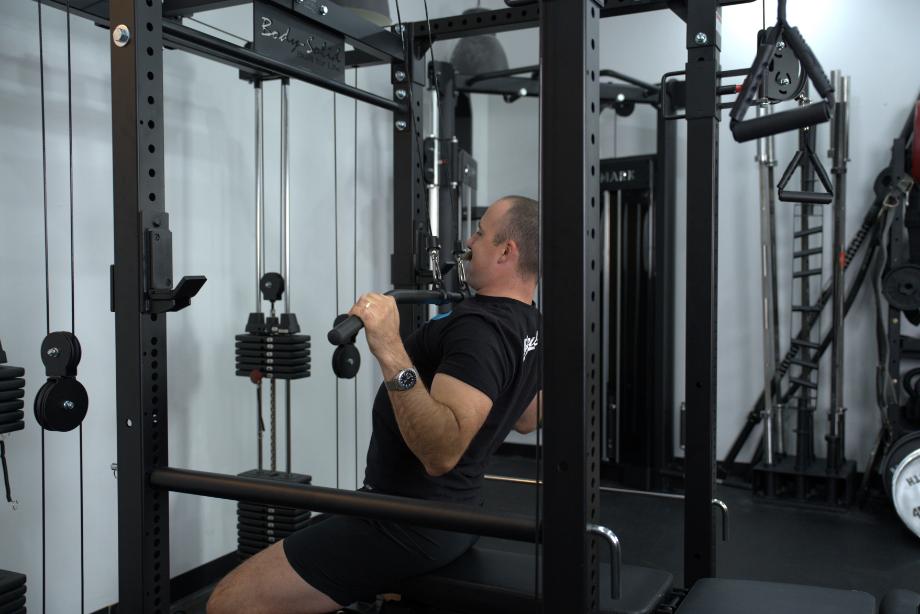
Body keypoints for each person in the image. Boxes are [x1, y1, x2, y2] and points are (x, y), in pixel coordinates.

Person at [207, 195, 542, 614]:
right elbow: (527, 418)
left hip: (409, 520)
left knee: (229, 602)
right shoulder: (528, 322)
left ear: (507, 251)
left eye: (480, 232)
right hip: (444, 512)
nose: (469, 240)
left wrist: (389, 348)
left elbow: (441, 453)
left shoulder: (481, 329)